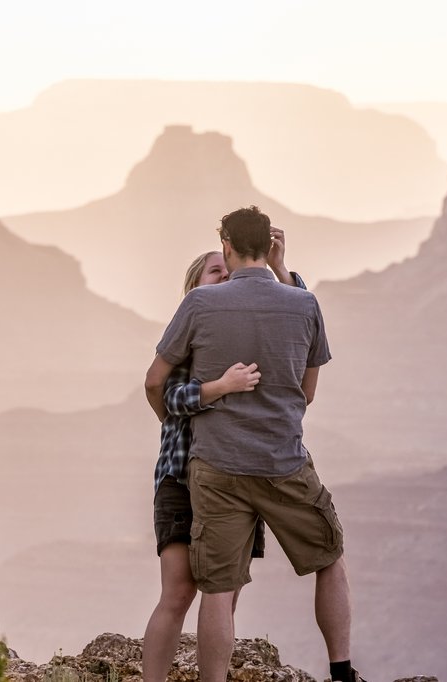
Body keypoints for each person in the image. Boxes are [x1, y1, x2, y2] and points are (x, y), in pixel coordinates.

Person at [144, 206, 364, 682]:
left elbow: (154, 381)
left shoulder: (200, 307)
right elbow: (307, 392)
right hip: (281, 461)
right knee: (329, 555)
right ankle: (342, 671)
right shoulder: (303, 304)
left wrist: (182, 420)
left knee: (218, 589)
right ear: (269, 245)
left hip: (215, 466)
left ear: (226, 244)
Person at [142, 228, 306, 682]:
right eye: (217, 272)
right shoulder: (190, 330)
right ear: (194, 288)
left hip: (234, 477)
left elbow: (300, 317)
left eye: (229, 268)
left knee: (223, 597)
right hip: (181, 477)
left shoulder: (237, 333)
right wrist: (218, 389)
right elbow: (164, 392)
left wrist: (278, 267)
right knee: (177, 593)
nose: (228, 276)